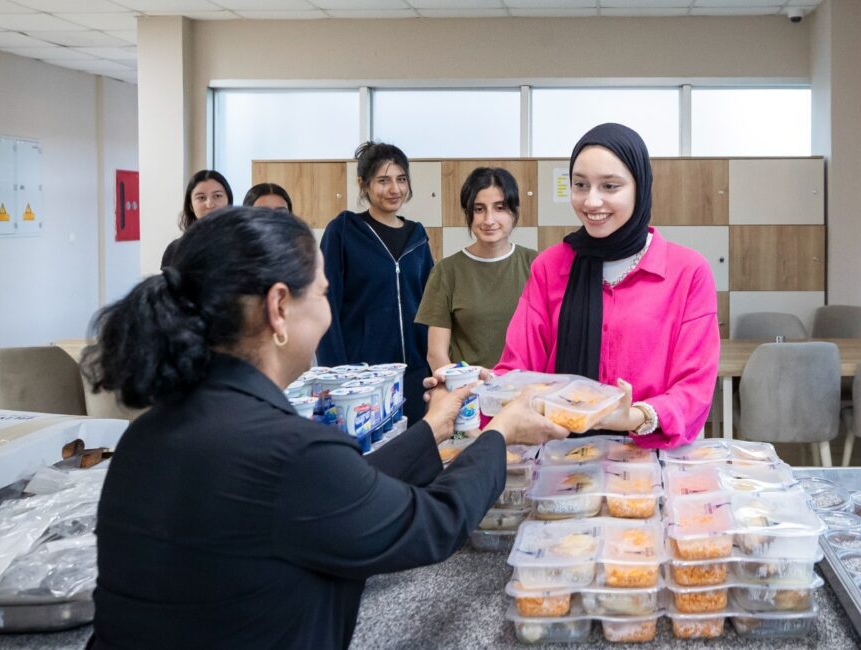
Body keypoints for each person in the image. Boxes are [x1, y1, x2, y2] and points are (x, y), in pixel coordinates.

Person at [82, 207, 567, 650]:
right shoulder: (287, 451)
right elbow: (432, 523)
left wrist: (432, 428)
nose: (328, 310)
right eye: (322, 292)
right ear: (278, 307)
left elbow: (340, 488)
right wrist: (499, 434)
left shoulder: (150, 433)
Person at [495, 123, 720, 449]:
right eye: (580, 185)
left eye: (610, 186)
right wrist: (477, 388)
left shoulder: (688, 272)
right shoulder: (550, 267)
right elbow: (517, 367)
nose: (591, 201)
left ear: (640, 187)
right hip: (559, 457)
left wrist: (637, 416)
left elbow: (694, 388)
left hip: (647, 460)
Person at [317, 142, 433, 423]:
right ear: (363, 183)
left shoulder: (417, 236)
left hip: (414, 374)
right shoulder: (344, 231)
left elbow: (431, 305)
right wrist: (337, 376)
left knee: (416, 447)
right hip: (361, 379)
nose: (395, 189)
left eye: (401, 179)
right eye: (383, 180)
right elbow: (324, 304)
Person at [416, 167, 536, 369]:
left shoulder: (536, 265)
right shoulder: (446, 271)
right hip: (469, 386)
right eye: (479, 209)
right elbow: (436, 355)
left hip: (525, 385)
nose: (489, 220)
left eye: (499, 208)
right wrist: (458, 385)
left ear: (514, 212)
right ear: (468, 214)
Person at [161, 169, 233, 268]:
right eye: (201, 198)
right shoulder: (175, 250)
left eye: (217, 196)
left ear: (228, 201)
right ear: (191, 205)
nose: (209, 204)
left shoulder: (244, 244)